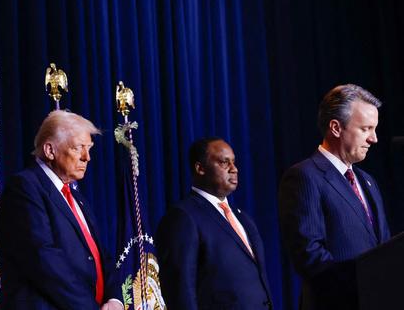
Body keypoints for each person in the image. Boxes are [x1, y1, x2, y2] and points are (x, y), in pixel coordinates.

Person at [0, 110, 123, 309]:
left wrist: (114, 299)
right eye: (78, 148)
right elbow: (44, 259)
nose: (86, 157)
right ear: (49, 150)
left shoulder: (75, 196)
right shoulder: (24, 187)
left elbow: (100, 255)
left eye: (89, 148)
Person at [278, 84, 390, 309]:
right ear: (336, 128)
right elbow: (309, 254)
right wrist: (364, 283)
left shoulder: (368, 181)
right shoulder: (304, 176)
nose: (374, 139)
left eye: (374, 129)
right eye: (366, 129)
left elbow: (384, 247)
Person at [156, 137, 272, 310]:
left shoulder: (243, 218)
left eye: (234, 162)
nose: (234, 169)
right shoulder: (183, 217)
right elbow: (179, 289)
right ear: (200, 168)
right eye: (224, 163)